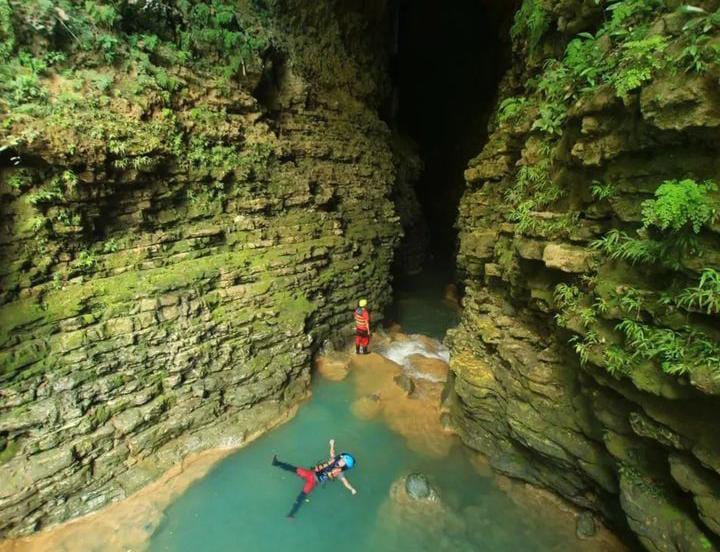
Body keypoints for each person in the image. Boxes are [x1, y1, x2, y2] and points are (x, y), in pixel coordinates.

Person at [271, 439, 357, 518]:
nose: (340, 461)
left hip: (313, 482)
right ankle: (276, 463)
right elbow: (332, 452)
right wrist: (332, 444)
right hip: (310, 473)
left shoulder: (340, 473)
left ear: (345, 466)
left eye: (343, 462)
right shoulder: (334, 460)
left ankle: (291, 514)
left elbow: (345, 482)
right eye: (341, 460)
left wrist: (351, 489)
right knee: (294, 469)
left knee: (301, 497)